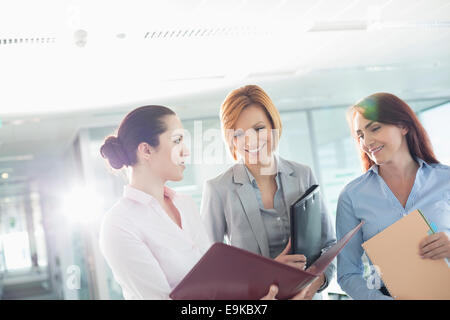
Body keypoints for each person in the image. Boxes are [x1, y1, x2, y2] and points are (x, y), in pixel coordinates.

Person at [99, 105, 309, 300]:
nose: (186, 151)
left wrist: (269, 275)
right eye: (177, 140)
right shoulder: (119, 225)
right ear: (146, 150)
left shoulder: (184, 204)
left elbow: (217, 283)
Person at [200, 85, 337, 300]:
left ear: (274, 125)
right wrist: (270, 272)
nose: (250, 140)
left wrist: (316, 283)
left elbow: (329, 243)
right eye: (238, 133)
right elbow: (210, 270)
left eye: (258, 128)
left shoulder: (303, 174)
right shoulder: (219, 189)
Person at [336, 92, 450, 300]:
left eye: (375, 128)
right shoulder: (352, 196)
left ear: (404, 126)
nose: (366, 141)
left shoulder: (446, 180)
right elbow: (348, 273)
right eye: (360, 134)